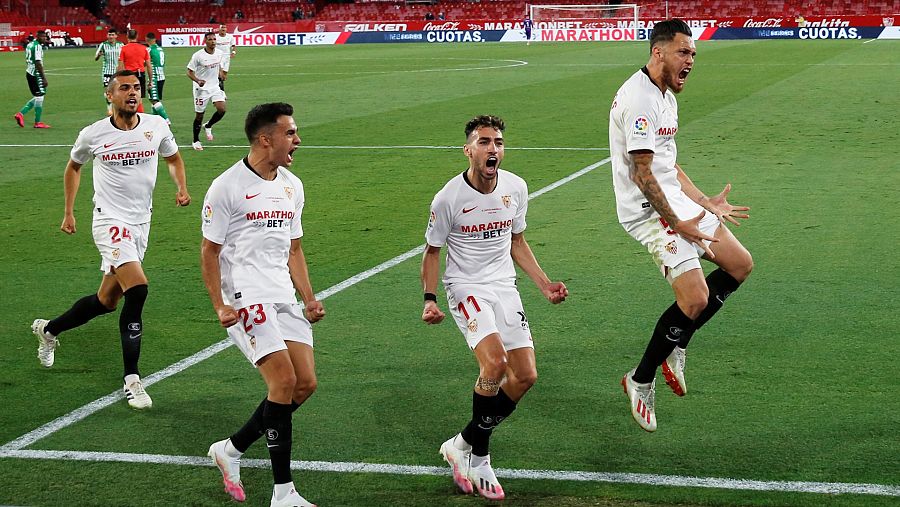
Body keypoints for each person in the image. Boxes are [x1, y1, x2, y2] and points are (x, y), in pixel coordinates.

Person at [608, 19, 753, 432]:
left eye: (693, 53)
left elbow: (667, 164)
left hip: (675, 202)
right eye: (683, 52)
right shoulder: (639, 100)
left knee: (739, 264)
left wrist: (704, 202)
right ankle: (640, 380)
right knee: (694, 299)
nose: (691, 59)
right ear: (658, 53)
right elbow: (642, 173)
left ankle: (678, 343)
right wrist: (679, 223)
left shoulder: (666, 96)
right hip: (649, 212)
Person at [422, 115, 568, 501]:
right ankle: (481, 458)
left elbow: (516, 242)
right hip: (465, 287)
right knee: (494, 365)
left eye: (498, 142)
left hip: (504, 286)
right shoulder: (448, 198)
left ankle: (463, 442)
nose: (493, 149)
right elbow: (432, 252)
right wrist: (430, 299)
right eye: (484, 142)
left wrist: (545, 284)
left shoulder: (516, 188)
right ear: (468, 150)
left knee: (525, 376)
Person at [30, 70, 191, 410]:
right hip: (109, 220)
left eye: (136, 88)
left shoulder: (156, 126)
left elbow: (173, 158)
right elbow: (73, 167)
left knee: (106, 301)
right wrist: (69, 212)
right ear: (110, 95)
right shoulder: (93, 134)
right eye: (124, 88)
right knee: (139, 288)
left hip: (141, 222)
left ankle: (48, 330)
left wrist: (181, 187)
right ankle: (132, 379)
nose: (132, 93)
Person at [201, 102, 323, 507]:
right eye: (290, 132)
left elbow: (295, 249)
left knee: (304, 384)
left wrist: (308, 297)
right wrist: (219, 304)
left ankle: (231, 449)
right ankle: (283, 492)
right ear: (265, 139)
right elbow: (209, 251)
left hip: (281, 294)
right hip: (245, 297)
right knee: (282, 382)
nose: (297, 139)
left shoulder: (292, 185)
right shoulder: (227, 187)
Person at [186, 32, 227, 151]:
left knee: (222, 109)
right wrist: (197, 80)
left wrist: (220, 74)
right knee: (199, 116)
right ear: (205, 41)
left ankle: (208, 125)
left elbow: (218, 66)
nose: (213, 41)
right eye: (210, 39)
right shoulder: (198, 56)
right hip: (201, 90)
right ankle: (195, 140)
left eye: (214, 39)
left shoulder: (219, 53)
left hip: (214, 87)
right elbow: (189, 72)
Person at [14, 30, 52, 129]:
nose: (44, 38)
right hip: (36, 74)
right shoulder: (37, 47)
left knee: (38, 96)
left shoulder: (30, 44)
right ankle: (37, 122)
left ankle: (20, 114)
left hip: (29, 72)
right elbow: (38, 63)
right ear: (37, 36)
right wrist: (44, 78)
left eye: (45, 37)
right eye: (42, 37)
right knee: (40, 97)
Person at [117, 29, 153, 114]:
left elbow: (120, 66)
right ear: (137, 36)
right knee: (139, 99)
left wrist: (119, 79)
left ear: (127, 37)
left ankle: (129, 117)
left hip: (129, 76)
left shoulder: (123, 49)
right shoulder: (144, 49)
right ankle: (140, 118)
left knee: (127, 98)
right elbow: (149, 66)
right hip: (140, 75)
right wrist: (150, 81)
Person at [144, 33, 171, 124]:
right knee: (155, 100)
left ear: (147, 39)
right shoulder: (160, 49)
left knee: (154, 100)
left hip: (154, 77)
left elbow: (145, 63)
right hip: (162, 76)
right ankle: (154, 121)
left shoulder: (149, 50)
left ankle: (166, 120)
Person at [95, 28, 123, 115]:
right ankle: (109, 109)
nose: (110, 36)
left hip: (117, 72)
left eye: (112, 35)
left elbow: (124, 57)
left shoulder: (121, 45)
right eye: (109, 35)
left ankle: (118, 107)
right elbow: (95, 57)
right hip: (107, 71)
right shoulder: (103, 45)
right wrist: (98, 56)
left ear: (116, 36)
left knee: (118, 90)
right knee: (108, 90)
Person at [214, 24, 236, 91]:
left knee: (224, 76)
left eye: (225, 27)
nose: (223, 29)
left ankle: (218, 87)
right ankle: (220, 91)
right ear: (219, 29)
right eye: (222, 27)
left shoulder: (230, 37)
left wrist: (233, 52)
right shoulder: (215, 37)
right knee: (221, 75)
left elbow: (233, 45)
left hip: (227, 57)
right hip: (218, 57)